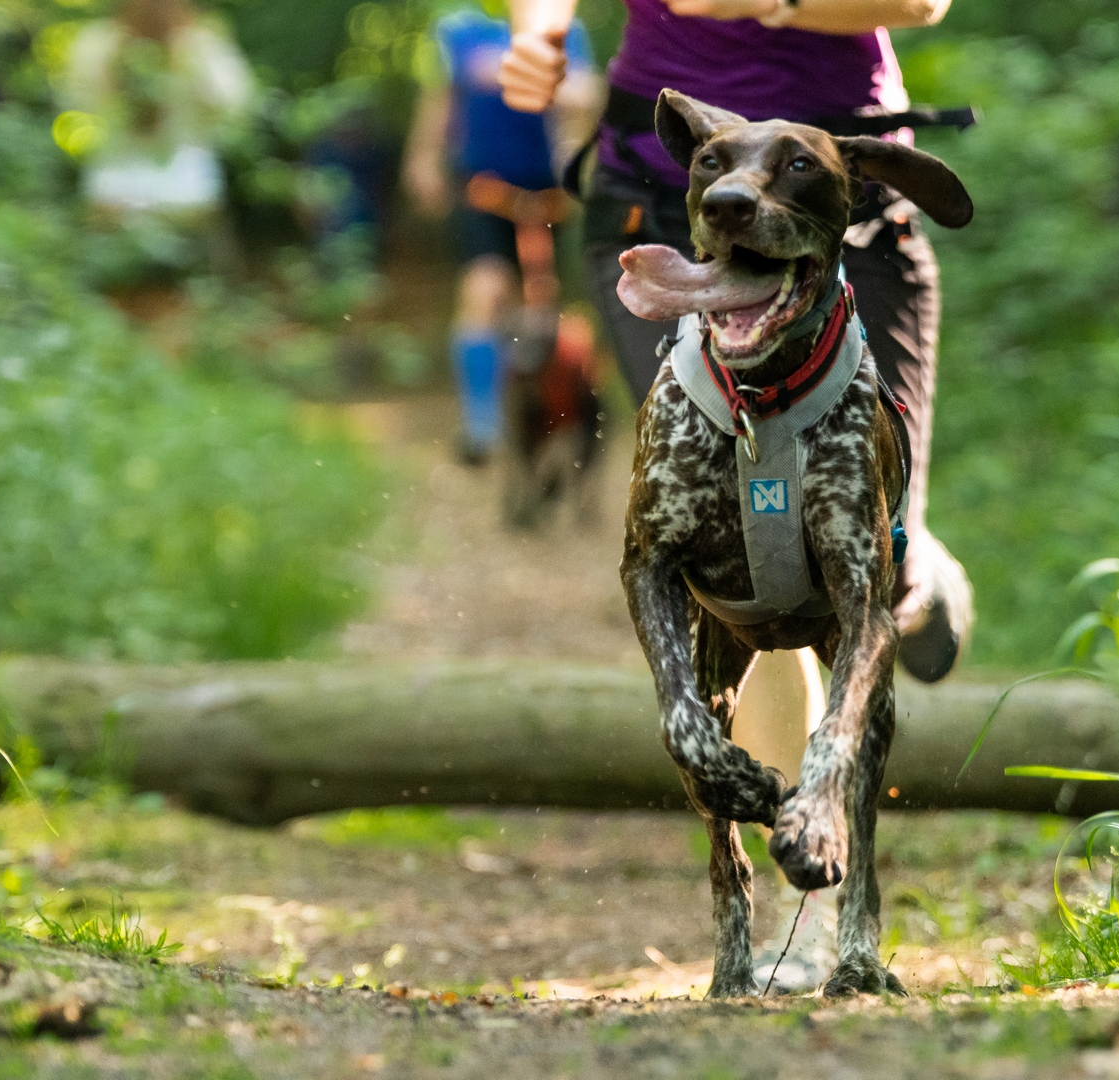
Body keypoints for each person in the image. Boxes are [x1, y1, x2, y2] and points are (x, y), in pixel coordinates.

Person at [500, 0, 972, 991]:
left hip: (851, 212)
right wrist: (538, 30)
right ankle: (798, 925)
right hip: (658, 193)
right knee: (755, 576)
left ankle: (924, 574)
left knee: (889, 577)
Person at [403, 1, 602, 464]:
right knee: (484, 289)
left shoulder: (565, 28)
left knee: (542, 315)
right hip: (484, 191)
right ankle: (481, 424)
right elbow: (440, 102)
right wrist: (422, 161)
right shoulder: (459, 27)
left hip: (550, 197)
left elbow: (589, 94)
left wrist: (549, 84)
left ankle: (549, 418)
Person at [61, 0, 254, 264]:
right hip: (175, 185)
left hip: (128, 184)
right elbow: (234, 104)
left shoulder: (97, 43)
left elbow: (75, 105)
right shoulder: (200, 43)